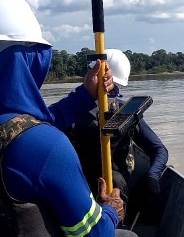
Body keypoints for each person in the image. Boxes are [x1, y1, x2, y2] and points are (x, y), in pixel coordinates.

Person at [0, 0, 136, 236]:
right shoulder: (45, 144)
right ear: (29, 58)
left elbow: (22, 130)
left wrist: (85, 95)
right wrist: (111, 210)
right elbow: (96, 233)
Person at [67, 49, 169, 224]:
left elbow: (159, 149)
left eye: (114, 88)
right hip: (82, 181)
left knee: (115, 181)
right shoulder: (73, 112)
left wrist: (152, 176)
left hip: (113, 184)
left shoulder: (124, 112)